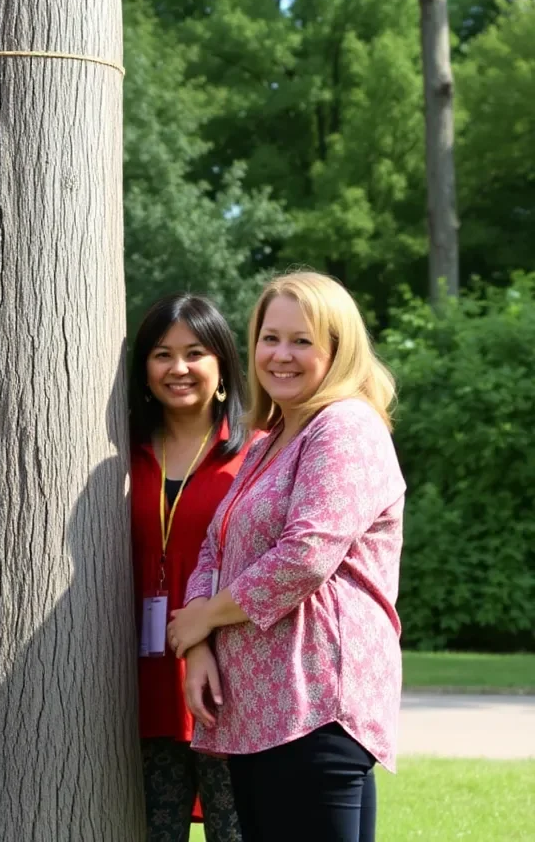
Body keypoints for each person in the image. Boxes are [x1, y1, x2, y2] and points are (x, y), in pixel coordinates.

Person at [167, 271, 405, 842]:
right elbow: (214, 544)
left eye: (302, 341)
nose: (281, 355)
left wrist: (204, 615)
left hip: (314, 703)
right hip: (257, 713)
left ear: (337, 349)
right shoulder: (272, 439)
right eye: (270, 338)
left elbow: (304, 555)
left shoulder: (346, 427)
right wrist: (196, 642)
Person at [129, 293, 255, 842]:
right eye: (162, 354)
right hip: (135, 685)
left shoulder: (258, 455)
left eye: (195, 352)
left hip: (226, 688)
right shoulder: (112, 451)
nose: (178, 368)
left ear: (222, 366)